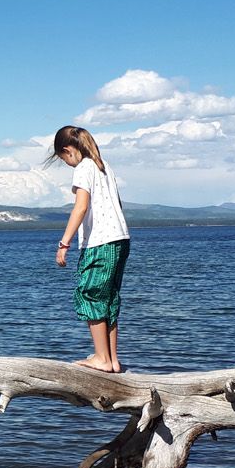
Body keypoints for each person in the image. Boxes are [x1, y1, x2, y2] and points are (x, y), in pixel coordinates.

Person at [49, 124, 130, 372]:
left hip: (100, 241)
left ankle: (101, 358)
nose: (66, 163)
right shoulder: (104, 166)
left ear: (67, 150)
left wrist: (64, 243)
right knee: (109, 298)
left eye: (63, 159)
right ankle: (112, 359)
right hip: (120, 238)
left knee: (90, 294)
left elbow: (81, 207)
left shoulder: (84, 167)